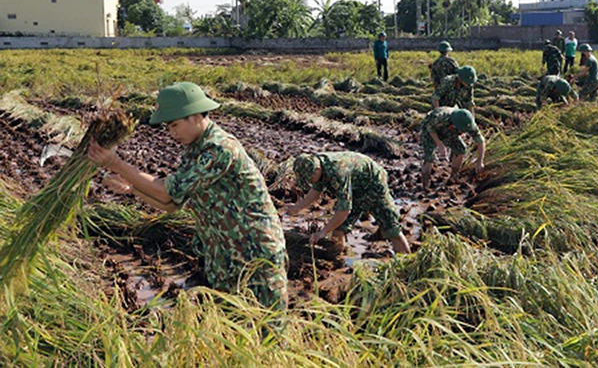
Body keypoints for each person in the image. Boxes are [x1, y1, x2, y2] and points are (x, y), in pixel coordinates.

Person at [88, 82, 288, 309]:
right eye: (168, 127)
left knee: (267, 327)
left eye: (174, 125)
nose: (172, 133)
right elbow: (171, 204)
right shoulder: (195, 151)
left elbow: (165, 191)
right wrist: (132, 189)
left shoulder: (218, 149)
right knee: (235, 327)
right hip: (224, 256)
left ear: (194, 117)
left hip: (254, 254)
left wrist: (116, 163)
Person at [287, 152, 411, 254]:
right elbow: (316, 189)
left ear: (317, 170)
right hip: (355, 187)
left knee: (391, 228)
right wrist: (298, 207)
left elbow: (344, 210)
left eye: (309, 178)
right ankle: (338, 260)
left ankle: (406, 264)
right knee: (338, 228)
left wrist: (323, 232)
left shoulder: (337, 171)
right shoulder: (317, 166)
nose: (309, 182)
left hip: (373, 183)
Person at [420, 107, 485, 190]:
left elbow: (481, 141)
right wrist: (440, 145)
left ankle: (453, 177)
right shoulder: (441, 116)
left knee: (460, 149)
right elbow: (431, 129)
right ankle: (425, 185)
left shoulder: (468, 123)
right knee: (429, 156)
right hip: (429, 130)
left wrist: (480, 161)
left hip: (449, 130)